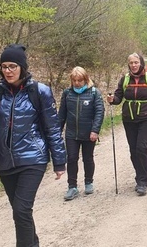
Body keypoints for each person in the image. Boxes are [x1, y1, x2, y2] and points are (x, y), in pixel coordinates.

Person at [0, 44, 66, 247]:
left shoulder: (39, 91)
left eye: (12, 66)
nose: (8, 71)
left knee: (22, 210)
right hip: (5, 160)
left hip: (33, 158)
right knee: (19, 211)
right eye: (4, 66)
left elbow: (52, 128)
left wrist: (60, 162)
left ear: (22, 67)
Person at [106, 53, 147, 196]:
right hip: (129, 119)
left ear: (141, 63)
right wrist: (113, 99)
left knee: (142, 147)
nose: (134, 65)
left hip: (146, 118)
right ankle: (139, 176)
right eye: (131, 63)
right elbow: (119, 97)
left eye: (136, 62)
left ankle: (143, 181)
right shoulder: (125, 79)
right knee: (133, 150)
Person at [58, 66, 105, 201]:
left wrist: (95, 130)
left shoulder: (94, 93)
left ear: (86, 79)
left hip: (89, 132)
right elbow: (62, 114)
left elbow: (99, 112)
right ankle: (72, 187)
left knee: (88, 158)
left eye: (80, 80)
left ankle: (88, 182)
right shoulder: (67, 93)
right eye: (74, 80)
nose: (77, 83)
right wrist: (57, 131)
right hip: (72, 133)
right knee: (71, 158)